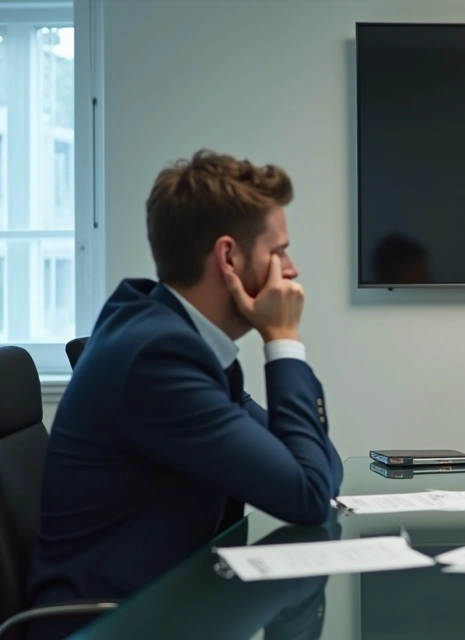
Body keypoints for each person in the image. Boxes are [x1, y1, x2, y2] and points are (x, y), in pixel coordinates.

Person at [27, 150, 343, 640]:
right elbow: (308, 494)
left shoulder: (177, 337)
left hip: (172, 607)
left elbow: (319, 474)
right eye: (278, 251)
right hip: (115, 623)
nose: (292, 269)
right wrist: (283, 340)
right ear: (228, 257)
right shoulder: (156, 358)